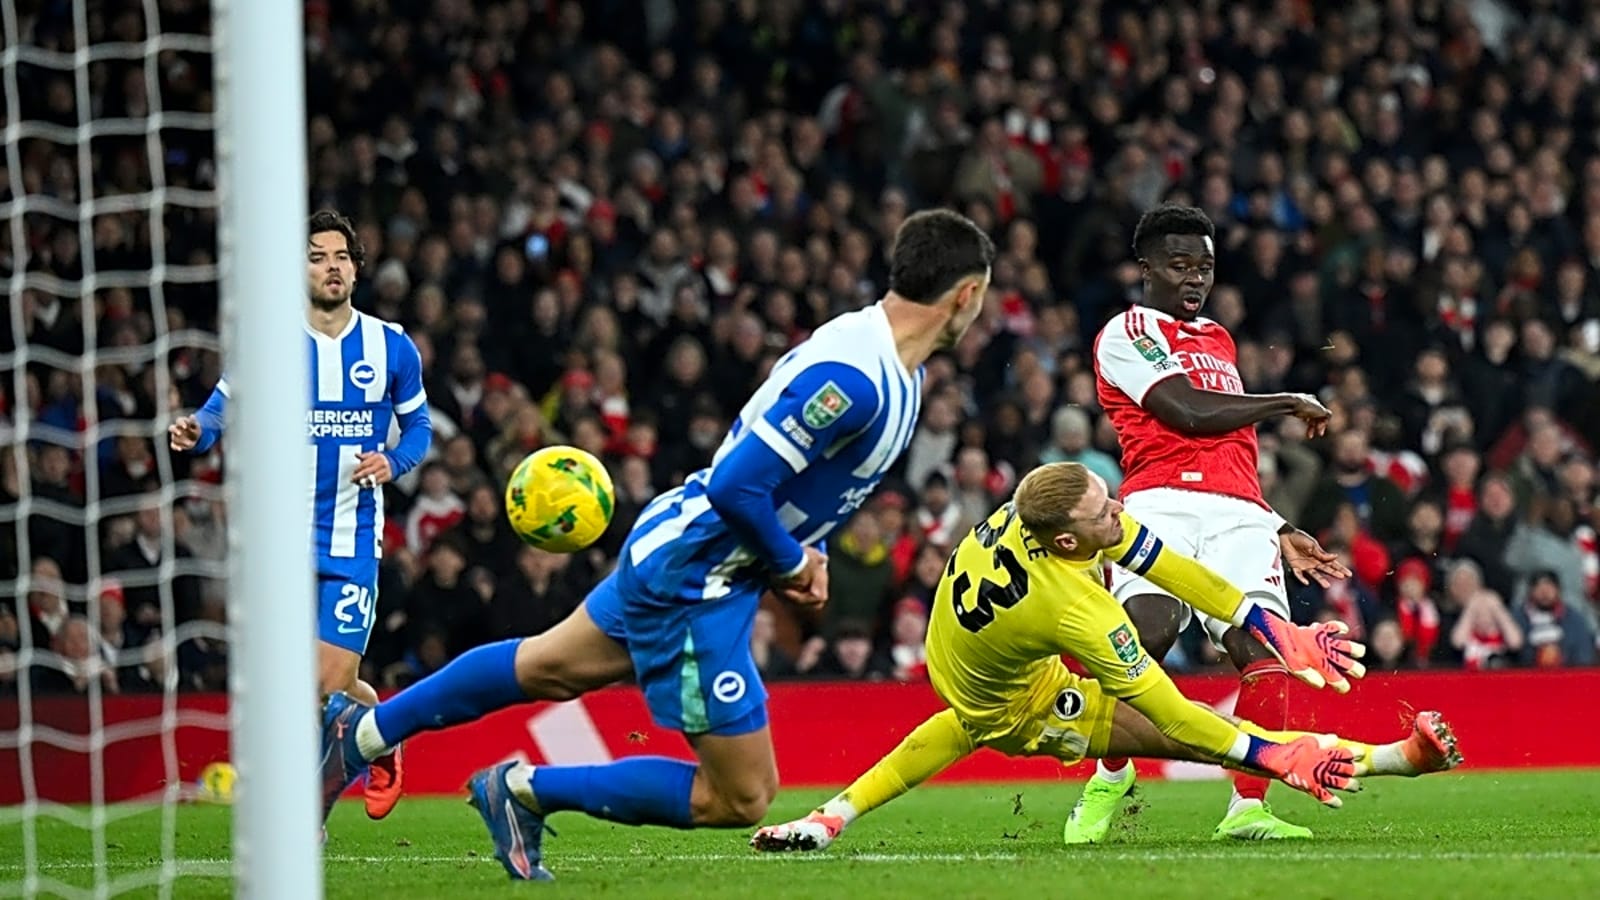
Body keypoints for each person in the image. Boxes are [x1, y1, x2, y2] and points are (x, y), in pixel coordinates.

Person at [318, 209, 997, 881]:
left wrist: (796, 551)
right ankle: (525, 788)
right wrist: (790, 560)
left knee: (547, 666)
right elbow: (738, 486)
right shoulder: (856, 378)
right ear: (965, 295)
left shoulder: (893, 368)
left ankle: (366, 735)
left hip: (690, 549)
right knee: (742, 795)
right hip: (700, 576)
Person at [751, 463, 1458, 852]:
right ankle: (1397, 759)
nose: (1118, 510)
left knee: (954, 724)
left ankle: (829, 818)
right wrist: (1273, 759)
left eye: (1107, 497)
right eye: (1103, 515)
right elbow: (1176, 716)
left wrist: (1268, 626)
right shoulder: (1078, 611)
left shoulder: (1047, 504)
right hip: (1020, 706)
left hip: (979, 669)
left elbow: (1174, 567)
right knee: (1200, 740)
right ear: (1068, 542)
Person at [1083, 204, 1347, 841]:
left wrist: (1275, 521)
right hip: (1159, 504)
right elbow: (1188, 413)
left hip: (1239, 514)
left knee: (1264, 651)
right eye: (1179, 266)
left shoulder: (1219, 340)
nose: (1194, 279)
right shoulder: (1127, 331)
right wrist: (1285, 399)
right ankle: (1112, 771)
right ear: (1145, 268)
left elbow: (1231, 447)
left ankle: (1247, 808)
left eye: (1203, 266)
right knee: (1147, 635)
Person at [169, 209, 431, 820]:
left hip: (352, 539)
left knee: (323, 684)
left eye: (340, 256)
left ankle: (301, 812)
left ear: (356, 268)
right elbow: (217, 412)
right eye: (316, 256)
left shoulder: (390, 345)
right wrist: (193, 431)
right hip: (279, 544)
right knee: (310, 687)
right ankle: (384, 744)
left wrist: (394, 462)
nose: (330, 266)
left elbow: (418, 424)